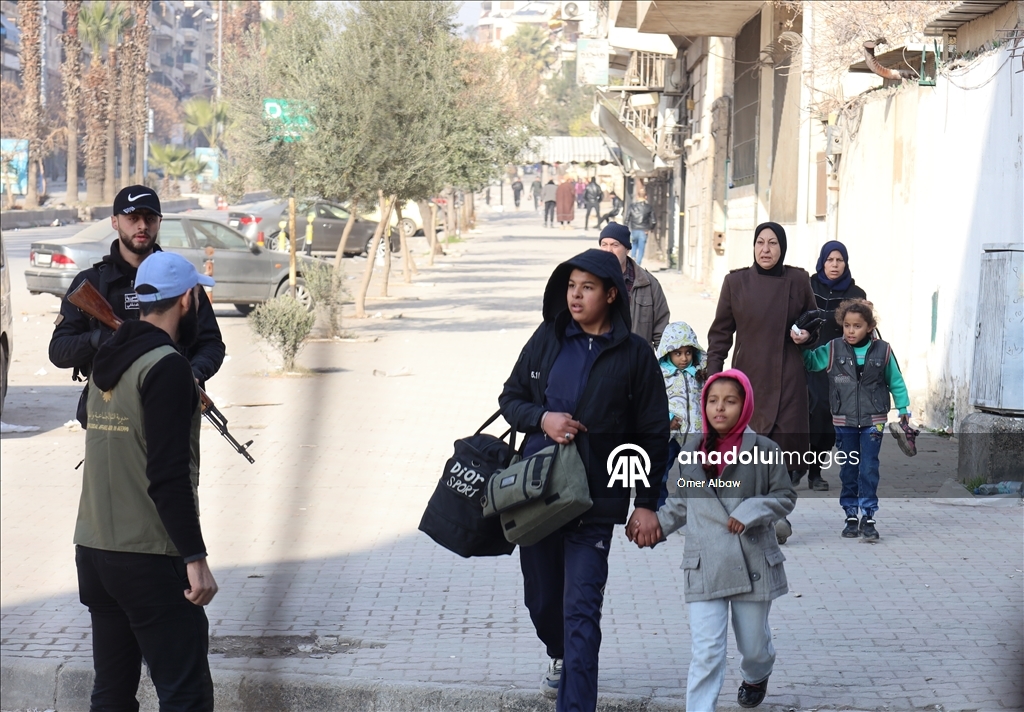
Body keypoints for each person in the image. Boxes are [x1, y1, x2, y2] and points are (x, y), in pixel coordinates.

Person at [498, 248, 669, 710]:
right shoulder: (548, 338)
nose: (576, 296)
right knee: (543, 603)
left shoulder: (635, 355)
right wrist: (543, 418)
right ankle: (558, 653)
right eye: (571, 286)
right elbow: (510, 398)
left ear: (611, 294)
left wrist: (646, 502)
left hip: (595, 502)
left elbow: (652, 433)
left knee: (581, 612)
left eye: (587, 287)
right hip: (537, 499)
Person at [74, 251, 219, 710]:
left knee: (112, 694)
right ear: (188, 299)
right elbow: (167, 475)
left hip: (95, 551)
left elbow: (90, 418)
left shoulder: (107, 358)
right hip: (150, 557)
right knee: (185, 694)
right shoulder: (168, 366)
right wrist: (194, 558)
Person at [632, 369, 797, 712]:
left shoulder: (765, 450)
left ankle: (756, 674)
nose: (719, 408)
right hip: (705, 563)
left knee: (753, 647)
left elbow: (785, 496)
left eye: (730, 401)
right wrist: (654, 528)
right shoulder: (690, 452)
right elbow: (680, 503)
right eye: (712, 401)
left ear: (746, 405)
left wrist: (752, 510)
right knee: (706, 650)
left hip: (752, 561)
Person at [49, 186, 225, 425]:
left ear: (159, 222)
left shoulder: (181, 279)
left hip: (170, 410)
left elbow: (211, 343)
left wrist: (191, 374)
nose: (142, 225)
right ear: (114, 221)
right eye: (133, 218)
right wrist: (99, 340)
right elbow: (59, 351)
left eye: (150, 218)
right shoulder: (90, 283)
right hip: (109, 418)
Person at [706, 222, 816, 545]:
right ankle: (755, 512)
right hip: (748, 378)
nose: (765, 249)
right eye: (760, 243)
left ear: (782, 248)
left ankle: (775, 514)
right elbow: (720, 333)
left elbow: (813, 322)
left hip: (788, 376)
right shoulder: (736, 282)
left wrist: (807, 335)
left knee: (781, 452)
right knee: (748, 452)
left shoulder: (798, 280)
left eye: (772, 244)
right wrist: (714, 377)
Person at [802, 299, 913, 540]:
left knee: (869, 467)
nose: (851, 331)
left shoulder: (883, 350)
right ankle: (851, 515)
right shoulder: (833, 349)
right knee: (849, 469)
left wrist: (903, 407)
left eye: (857, 326)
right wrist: (800, 344)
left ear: (870, 327)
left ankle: (869, 516)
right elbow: (810, 362)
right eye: (847, 326)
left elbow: (895, 379)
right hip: (843, 421)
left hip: (875, 420)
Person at [804, 241, 867, 492]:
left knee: (830, 420)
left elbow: (860, 326)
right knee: (807, 413)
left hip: (840, 365)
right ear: (822, 262)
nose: (834, 265)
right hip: (809, 361)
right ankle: (796, 467)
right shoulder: (808, 286)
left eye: (839, 260)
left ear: (846, 263)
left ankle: (815, 471)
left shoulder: (856, 293)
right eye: (830, 260)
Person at [655, 321, 707, 507]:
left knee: (693, 476)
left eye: (688, 352)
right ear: (668, 353)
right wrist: (667, 420)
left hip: (694, 436)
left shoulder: (700, 375)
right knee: (660, 474)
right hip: (669, 436)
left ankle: (692, 513)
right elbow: (654, 402)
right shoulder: (660, 375)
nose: (684, 358)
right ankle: (660, 513)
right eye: (677, 353)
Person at [598, 223, 670, 349]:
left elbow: (662, 334)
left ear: (627, 249)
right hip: (600, 361)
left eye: (615, 245)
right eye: (604, 244)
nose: (609, 250)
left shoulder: (648, 284)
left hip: (637, 363)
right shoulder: (590, 282)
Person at [625, 190, 656, 265]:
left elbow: (627, 219)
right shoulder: (649, 207)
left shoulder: (632, 206)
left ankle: (632, 260)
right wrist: (651, 228)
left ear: (637, 196)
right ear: (646, 197)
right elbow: (653, 221)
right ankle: (638, 264)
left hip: (634, 229)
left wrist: (626, 229)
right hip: (644, 230)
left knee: (633, 245)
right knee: (641, 248)